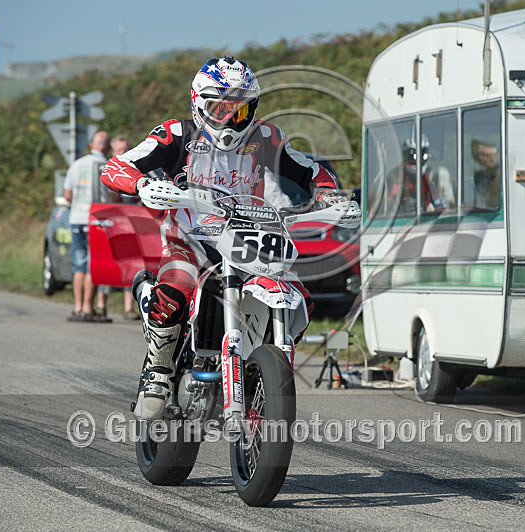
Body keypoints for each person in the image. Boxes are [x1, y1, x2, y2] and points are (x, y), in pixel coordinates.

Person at [100, 57, 341, 420]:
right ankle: (159, 370)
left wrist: (328, 194)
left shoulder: (266, 137)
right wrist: (142, 183)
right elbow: (117, 165)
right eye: (219, 108)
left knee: (300, 299)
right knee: (177, 287)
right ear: (199, 103)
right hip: (190, 239)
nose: (229, 118)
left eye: (239, 109)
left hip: (250, 239)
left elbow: (311, 169)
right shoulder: (175, 134)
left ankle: (262, 369)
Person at [63, 130, 111, 322]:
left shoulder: (76, 165)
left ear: (92, 144)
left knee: (78, 264)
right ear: (106, 147)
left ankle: (77, 307)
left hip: (76, 218)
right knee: (92, 265)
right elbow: (115, 195)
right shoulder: (107, 166)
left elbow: (67, 195)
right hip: (97, 220)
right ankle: (88, 307)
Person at [95, 135, 141, 320]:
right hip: (112, 223)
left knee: (130, 264)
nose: (126, 153)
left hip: (132, 224)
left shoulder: (138, 170)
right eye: (122, 150)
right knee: (108, 263)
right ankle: (101, 306)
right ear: (114, 152)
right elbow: (105, 197)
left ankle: (129, 308)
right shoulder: (108, 170)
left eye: (128, 149)